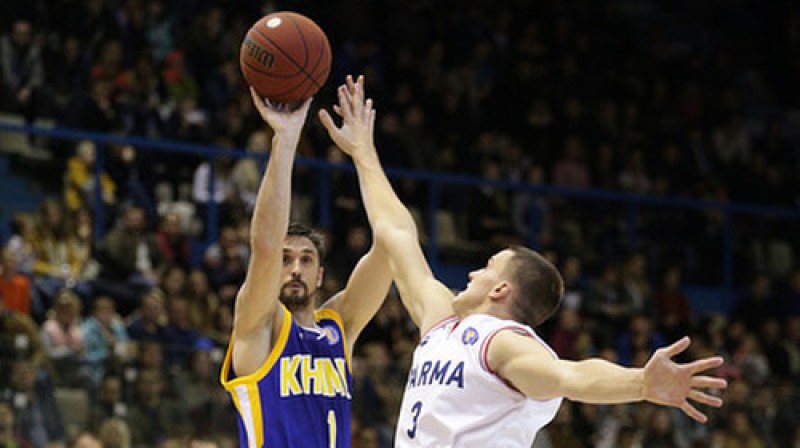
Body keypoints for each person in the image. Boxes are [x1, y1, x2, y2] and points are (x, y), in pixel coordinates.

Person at [318, 75, 728, 447]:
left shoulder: (503, 345)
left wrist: (639, 382)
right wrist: (363, 152)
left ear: (500, 290)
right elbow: (398, 234)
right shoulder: (441, 322)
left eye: (487, 266)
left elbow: (570, 376)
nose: (472, 271)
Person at [219, 88, 392, 448]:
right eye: (286, 259)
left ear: (320, 276)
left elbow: (393, 247)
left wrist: (364, 155)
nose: (295, 268)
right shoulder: (259, 324)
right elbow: (265, 245)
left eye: (306, 260)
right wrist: (285, 139)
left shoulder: (337, 328)